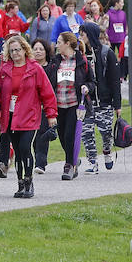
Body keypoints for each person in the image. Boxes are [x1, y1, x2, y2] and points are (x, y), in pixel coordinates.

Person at [0, 35, 58, 197]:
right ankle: (20, 184)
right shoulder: (5, 69)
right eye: (12, 50)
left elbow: (47, 92)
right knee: (17, 150)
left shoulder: (35, 69)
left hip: (29, 115)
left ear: (24, 50)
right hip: (9, 115)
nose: (15, 53)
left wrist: (51, 114)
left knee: (24, 147)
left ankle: (29, 182)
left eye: (18, 50)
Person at [46, 32, 96, 180]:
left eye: (59, 42)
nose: (57, 44)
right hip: (59, 104)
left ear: (67, 44)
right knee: (61, 135)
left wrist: (87, 87)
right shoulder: (55, 61)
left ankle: (69, 165)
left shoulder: (81, 61)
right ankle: (74, 159)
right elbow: (49, 81)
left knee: (69, 135)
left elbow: (92, 82)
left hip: (74, 105)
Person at [80, 22, 121, 173]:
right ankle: (92, 162)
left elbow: (114, 81)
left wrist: (117, 105)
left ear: (90, 35)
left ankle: (107, 151)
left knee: (106, 132)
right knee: (87, 132)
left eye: (82, 34)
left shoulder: (106, 53)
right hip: (87, 103)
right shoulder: (80, 54)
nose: (80, 37)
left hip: (104, 102)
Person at [30, 38, 55, 174]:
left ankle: (40, 163)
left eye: (41, 49)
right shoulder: (29, 67)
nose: (38, 51)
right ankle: (39, 161)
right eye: (35, 49)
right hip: (31, 106)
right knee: (34, 134)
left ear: (46, 51)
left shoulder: (52, 67)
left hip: (46, 106)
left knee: (43, 133)